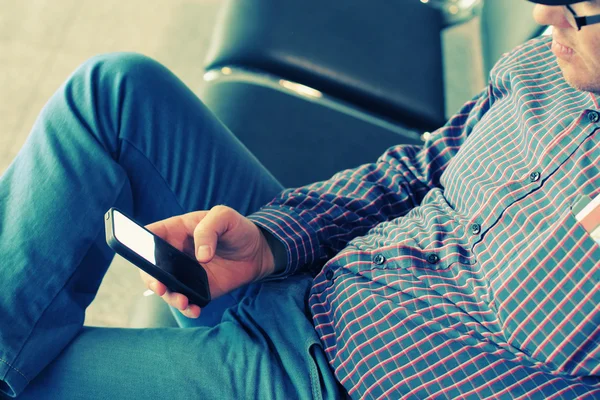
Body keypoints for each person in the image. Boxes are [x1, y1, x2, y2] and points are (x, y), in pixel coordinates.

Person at [0, 0, 599, 398]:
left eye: (585, 5)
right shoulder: (551, 63)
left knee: (28, 379)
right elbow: (422, 170)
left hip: (323, 379)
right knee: (113, 93)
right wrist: (269, 241)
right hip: (323, 280)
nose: (545, 9)